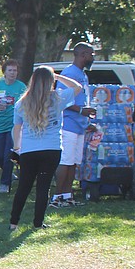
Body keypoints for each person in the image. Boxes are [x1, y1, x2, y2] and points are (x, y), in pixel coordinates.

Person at [10, 67, 85, 231]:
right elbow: (78, 87)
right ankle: (38, 223)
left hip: (29, 150)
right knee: (43, 187)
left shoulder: (22, 102)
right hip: (51, 149)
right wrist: (58, 76)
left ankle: (13, 222)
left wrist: (17, 146)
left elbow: (16, 128)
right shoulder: (58, 98)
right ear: (51, 81)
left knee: (24, 186)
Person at [53, 43, 98, 207]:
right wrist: (80, 111)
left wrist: (87, 121)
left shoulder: (83, 74)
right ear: (83, 54)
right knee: (65, 161)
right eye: (92, 54)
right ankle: (56, 198)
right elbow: (59, 98)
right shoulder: (69, 73)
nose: (93, 58)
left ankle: (67, 196)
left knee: (74, 162)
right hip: (68, 125)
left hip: (80, 126)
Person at [0, 61, 28, 194]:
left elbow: (27, 104)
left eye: (15, 71)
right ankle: (8, 172)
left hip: (15, 126)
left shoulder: (21, 87)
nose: (12, 73)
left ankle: (5, 184)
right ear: (4, 72)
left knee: (8, 155)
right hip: (0, 126)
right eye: (10, 70)